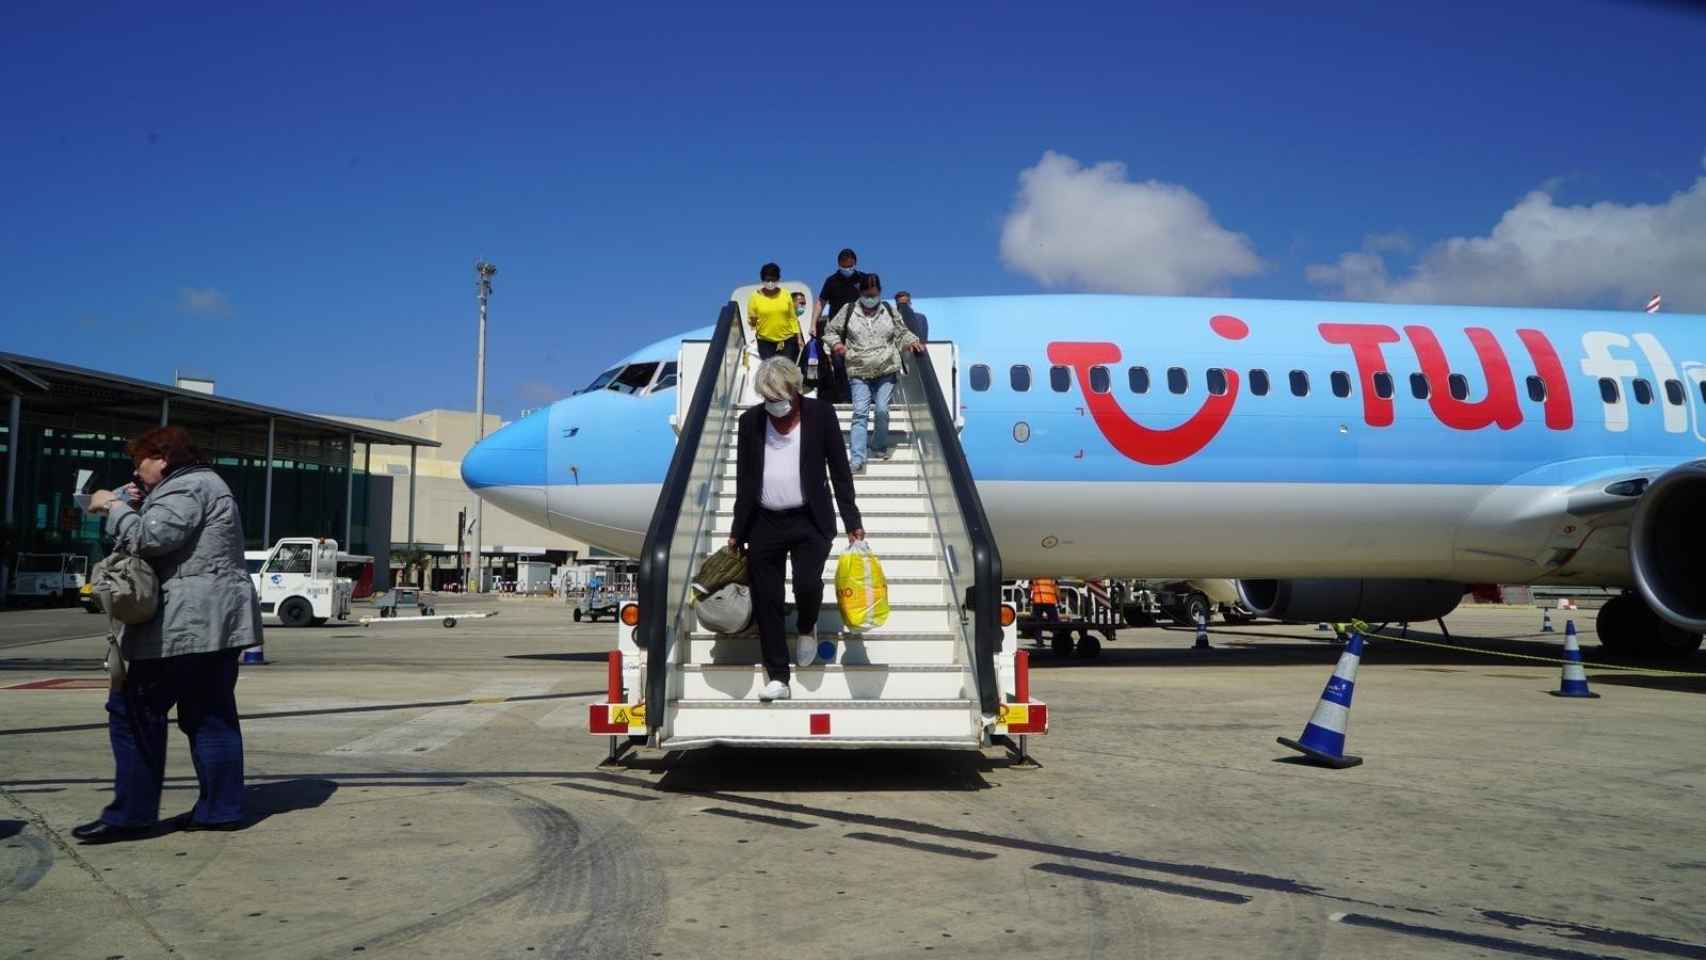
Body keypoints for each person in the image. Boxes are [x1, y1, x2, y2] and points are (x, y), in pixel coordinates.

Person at [76, 426, 262, 843]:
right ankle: (220, 810)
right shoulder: (204, 485)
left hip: (186, 624)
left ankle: (132, 814)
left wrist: (112, 507)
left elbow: (149, 538)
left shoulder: (188, 486)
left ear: (162, 458)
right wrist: (142, 502)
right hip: (219, 623)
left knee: (132, 710)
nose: (136, 471)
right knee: (210, 715)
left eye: (139, 462)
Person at [728, 357, 864, 701]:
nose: (775, 405)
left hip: (809, 520)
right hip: (764, 522)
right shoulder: (750, 422)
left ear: (794, 388)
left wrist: (853, 521)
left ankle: (807, 626)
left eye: (779, 397)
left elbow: (839, 470)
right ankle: (778, 676)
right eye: (768, 399)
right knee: (767, 599)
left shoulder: (821, 415)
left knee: (806, 584)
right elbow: (744, 479)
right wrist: (737, 531)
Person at [822, 273, 924, 473]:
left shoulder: (888, 310)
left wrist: (912, 342)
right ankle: (858, 458)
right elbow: (830, 330)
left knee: (882, 410)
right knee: (860, 413)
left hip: (886, 368)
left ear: (879, 292)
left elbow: (901, 333)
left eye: (874, 294)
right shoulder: (849, 310)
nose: (871, 298)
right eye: (867, 294)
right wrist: (837, 345)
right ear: (860, 293)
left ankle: (878, 445)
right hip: (859, 370)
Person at [816, 248, 866, 402]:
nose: (848, 269)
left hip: (860, 329)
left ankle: (860, 396)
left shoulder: (863, 278)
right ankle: (843, 397)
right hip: (837, 330)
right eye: (845, 266)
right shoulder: (831, 281)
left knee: (859, 363)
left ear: (855, 263)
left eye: (850, 266)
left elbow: (873, 298)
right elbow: (821, 302)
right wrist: (813, 323)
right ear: (839, 264)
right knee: (838, 363)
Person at [745, 262, 804, 363]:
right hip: (765, 341)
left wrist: (799, 338)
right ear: (762, 280)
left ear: (778, 279)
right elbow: (752, 321)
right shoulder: (754, 297)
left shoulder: (785, 294)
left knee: (785, 368)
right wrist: (753, 322)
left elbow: (792, 318)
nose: (771, 282)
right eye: (768, 280)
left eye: (773, 279)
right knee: (770, 369)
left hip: (787, 340)